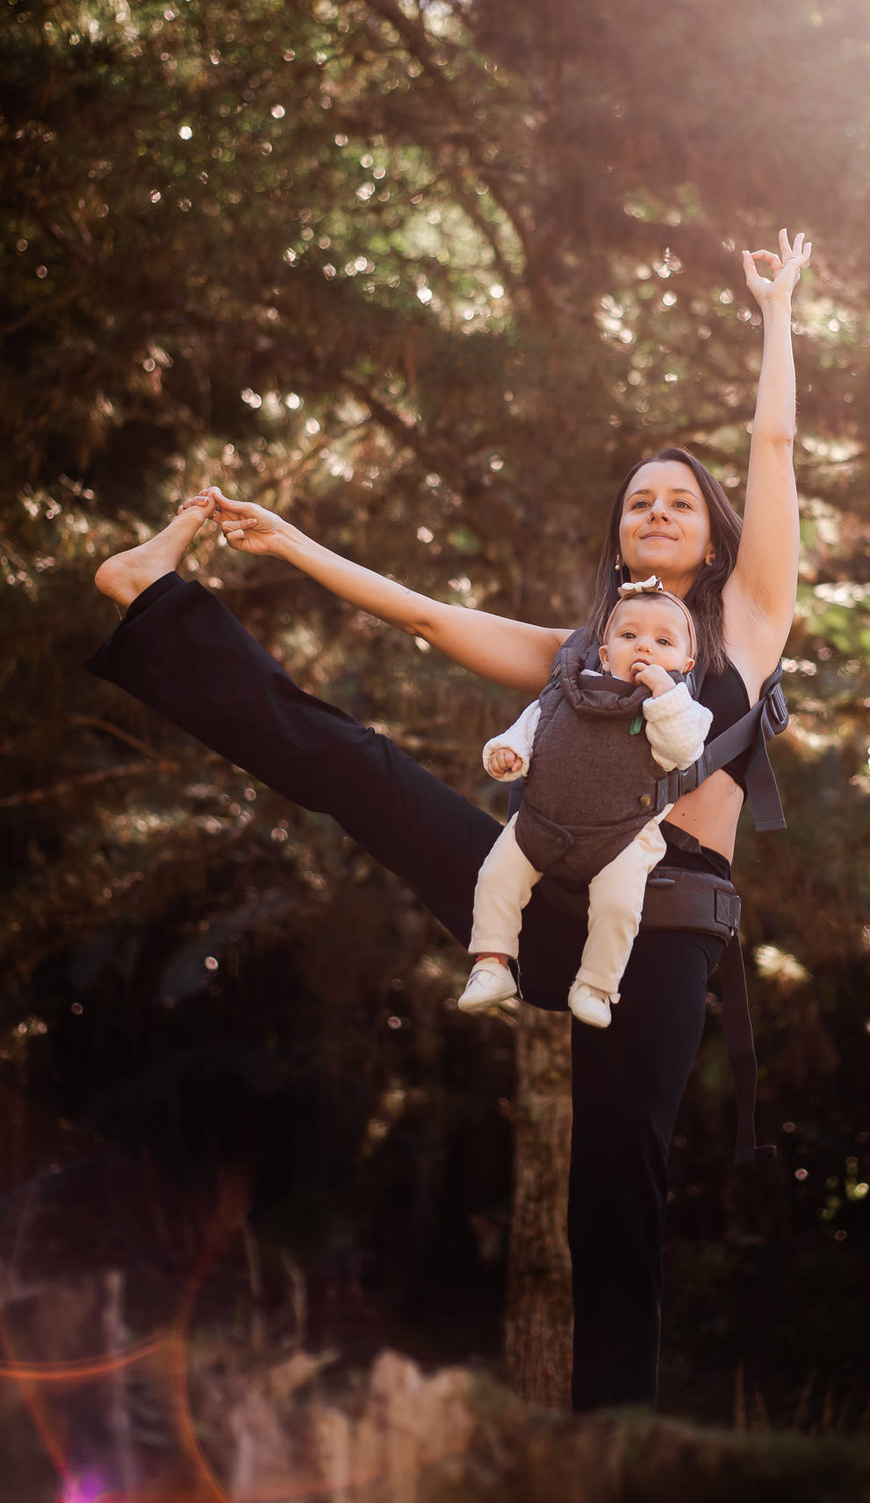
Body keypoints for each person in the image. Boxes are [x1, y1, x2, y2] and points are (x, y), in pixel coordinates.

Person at [88, 228, 810, 1411]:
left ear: (717, 532)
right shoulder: (572, 656)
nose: (659, 510)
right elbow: (425, 618)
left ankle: (609, 1444)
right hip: (535, 900)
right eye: (639, 502)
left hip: (659, 934)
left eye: (681, 500)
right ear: (618, 536)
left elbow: (774, 445)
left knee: (615, 1184)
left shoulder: (746, 627)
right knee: (358, 765)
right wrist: (293, 543)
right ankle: (150, 604)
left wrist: (776, 312)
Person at [459, 583, 713, 1029]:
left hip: (621, 836)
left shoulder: (679, 710)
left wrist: (662, 692)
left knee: (619, 905)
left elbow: (682, 750)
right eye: (629, 636)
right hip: (540, 822)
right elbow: (532, 726)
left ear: (685, 665)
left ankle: (595, 984)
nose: (645, 648)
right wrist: (507, 752)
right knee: (496, 876)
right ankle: (492, 963)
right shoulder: (567, 690)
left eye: (664, 642)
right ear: (603, 653)